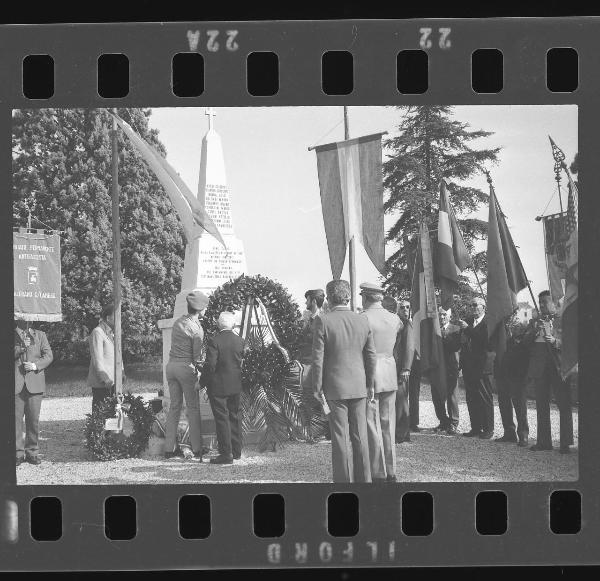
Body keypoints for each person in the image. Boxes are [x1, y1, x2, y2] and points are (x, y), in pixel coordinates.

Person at [312, 279, 377, 483]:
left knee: (340, 436)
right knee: (360, 436)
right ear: (348, 297)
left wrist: (316, 388)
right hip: (359, 385)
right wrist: (371, 383)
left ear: (329, 298)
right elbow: (371, 355)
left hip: (335, 387)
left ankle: (343, 483)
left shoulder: (323, 320)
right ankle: (364, 481)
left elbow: (317, 359)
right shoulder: (363, 320)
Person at [360, 283, 403, 483]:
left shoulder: (363, 318)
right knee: (388, 423)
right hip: (389, 371)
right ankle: (391, 470)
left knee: (372, 424)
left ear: (366, 297)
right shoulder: (395, 319)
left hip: (369, 374)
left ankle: (378, 472)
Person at [523, 291, 573, 453]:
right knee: (541, 405)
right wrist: (533, 332)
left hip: (559, 367)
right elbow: (524, 343)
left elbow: (573, 344)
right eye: (540, 302)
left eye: (545, 301)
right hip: (540, 369)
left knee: (563, 404)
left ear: (555, 302)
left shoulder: (564, 320)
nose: (542, 305)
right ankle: (544, 442)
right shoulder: (534, 321)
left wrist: (555, 341)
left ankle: (566, 443)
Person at [164, 291, 209, 460]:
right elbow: (197, 358)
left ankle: (169, 449)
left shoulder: (178, 322)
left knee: (174, 407)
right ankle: (197, 448)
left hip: (171, 367)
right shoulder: (197, 329)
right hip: (185, 369)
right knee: (193, 408)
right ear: (200, 310)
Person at [201, 311, 247, 465]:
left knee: (222, 419)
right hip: (235, 385)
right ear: (232, 324)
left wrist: (201, 383)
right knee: (235, 416)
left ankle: (226, 454)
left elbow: (211, 366)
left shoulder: (214, 341)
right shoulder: (240, 341)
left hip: (218, 386)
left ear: (218, 324)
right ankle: (236, 451)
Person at [15, 319, 53, 466]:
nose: (27, 320)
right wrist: (20, 349)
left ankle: (32, 452)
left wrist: (35, 365)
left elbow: (49, 356)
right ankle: (17, 453)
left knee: (33, 421)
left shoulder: (41, 335)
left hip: (35, 384)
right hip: (15, 384)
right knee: (15, 421)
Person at [458, 297, 495, 439]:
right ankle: (475, 427)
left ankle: (488, 429)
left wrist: (467, 329)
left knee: (485, 397)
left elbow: (484, 341)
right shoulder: (468, 321)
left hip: (482, 366)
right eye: (470, 305)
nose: (472, 307)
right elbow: (463, 344)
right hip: (469, 366)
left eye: (475, 305)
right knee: (471, 397)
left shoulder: (488, 322)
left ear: (483, 307)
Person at [494, 325, 530, 447]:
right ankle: (509, 433)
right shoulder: (501, 330)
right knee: (504, 405)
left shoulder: (526, 336)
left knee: (520, 407)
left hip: (518, 376)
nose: (514, 327)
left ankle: (523, 434)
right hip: (502, 373)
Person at [87, 303, 124, 412]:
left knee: (113, 415)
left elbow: (117, 354)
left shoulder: (113, 333)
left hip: (114, 382)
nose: (119, 320)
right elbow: (97, 358)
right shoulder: (97, 332)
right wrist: (105, 378)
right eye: (116, 316)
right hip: (103, 384)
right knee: (101, 415)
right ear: (108, 318)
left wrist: (122, 371)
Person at [432, 307, 461, 435]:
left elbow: (455, 346)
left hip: (450, 367)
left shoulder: (456, 329)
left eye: (444, 315)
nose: (442, 317)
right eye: (440, 315)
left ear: (449, 316)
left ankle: (453, 423)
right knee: (436, 395)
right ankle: (443, 421)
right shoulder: (433, 329)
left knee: (452, 396)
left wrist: (444, 335)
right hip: (437, 368)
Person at [396, 300, 421, 436]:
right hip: (403, 365)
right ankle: (404, 422)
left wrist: (407, 367)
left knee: (413, 394)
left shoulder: (412, 323)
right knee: (402, 396)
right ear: (397, 310)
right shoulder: (397, 323)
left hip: (413, 365)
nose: (405, 310)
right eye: (402, 307)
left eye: (407, 307)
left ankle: (413, 422)